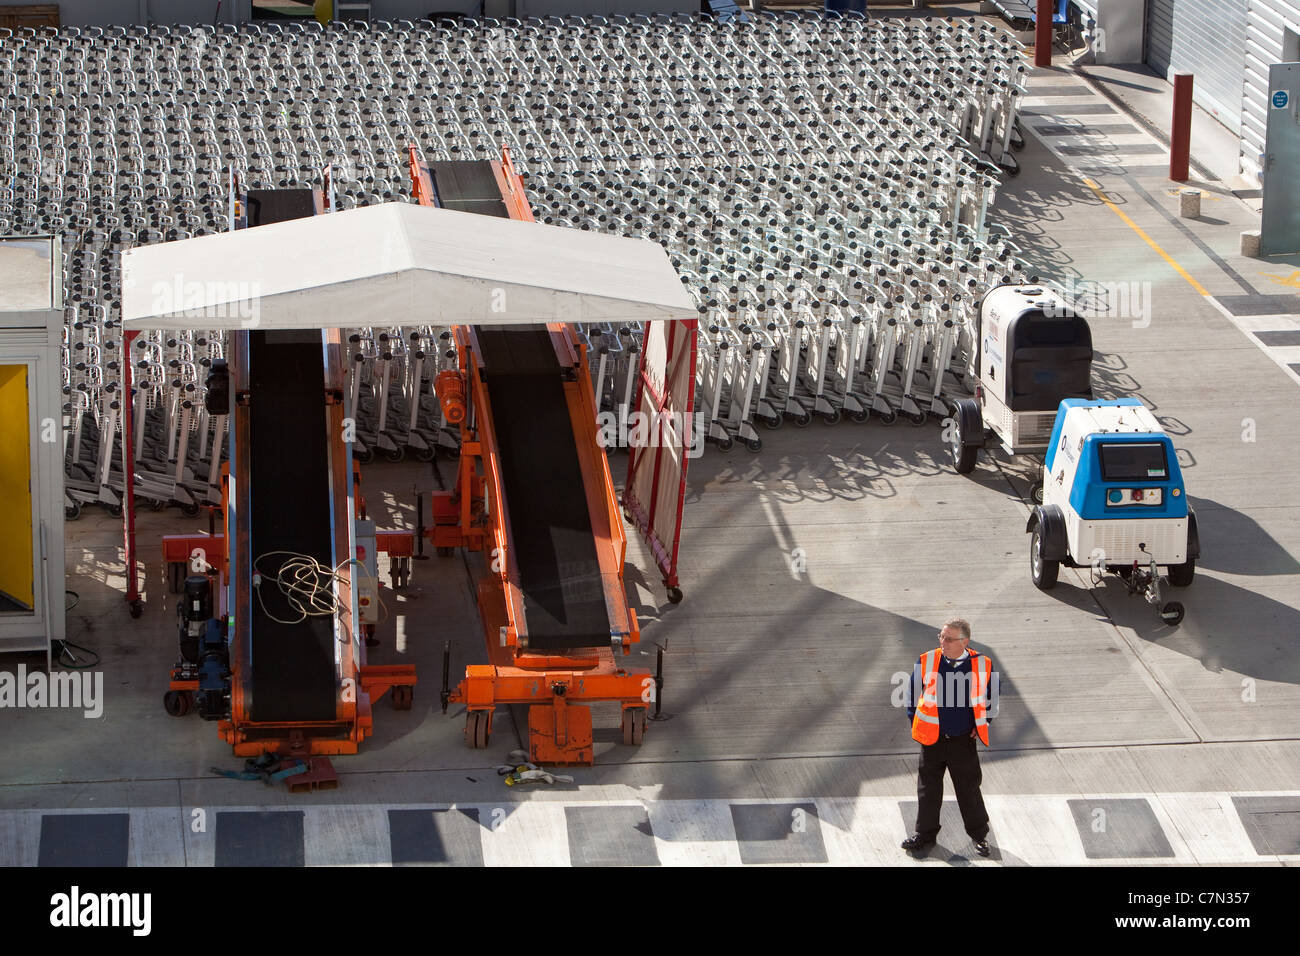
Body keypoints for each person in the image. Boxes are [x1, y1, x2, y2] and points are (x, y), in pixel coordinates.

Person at [902, 618, 994, 856]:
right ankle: (924, 835)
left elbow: (991, 698)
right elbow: (911, 696)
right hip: (931, 740)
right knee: (928, 789)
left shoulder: (982, 664)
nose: (943, 642)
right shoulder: (927, 660)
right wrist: (918, 725)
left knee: (969, 789)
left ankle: (979, 836)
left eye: (949, 638)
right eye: (941, 637)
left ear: (965, 641)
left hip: (962, 740)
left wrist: (982, 723)